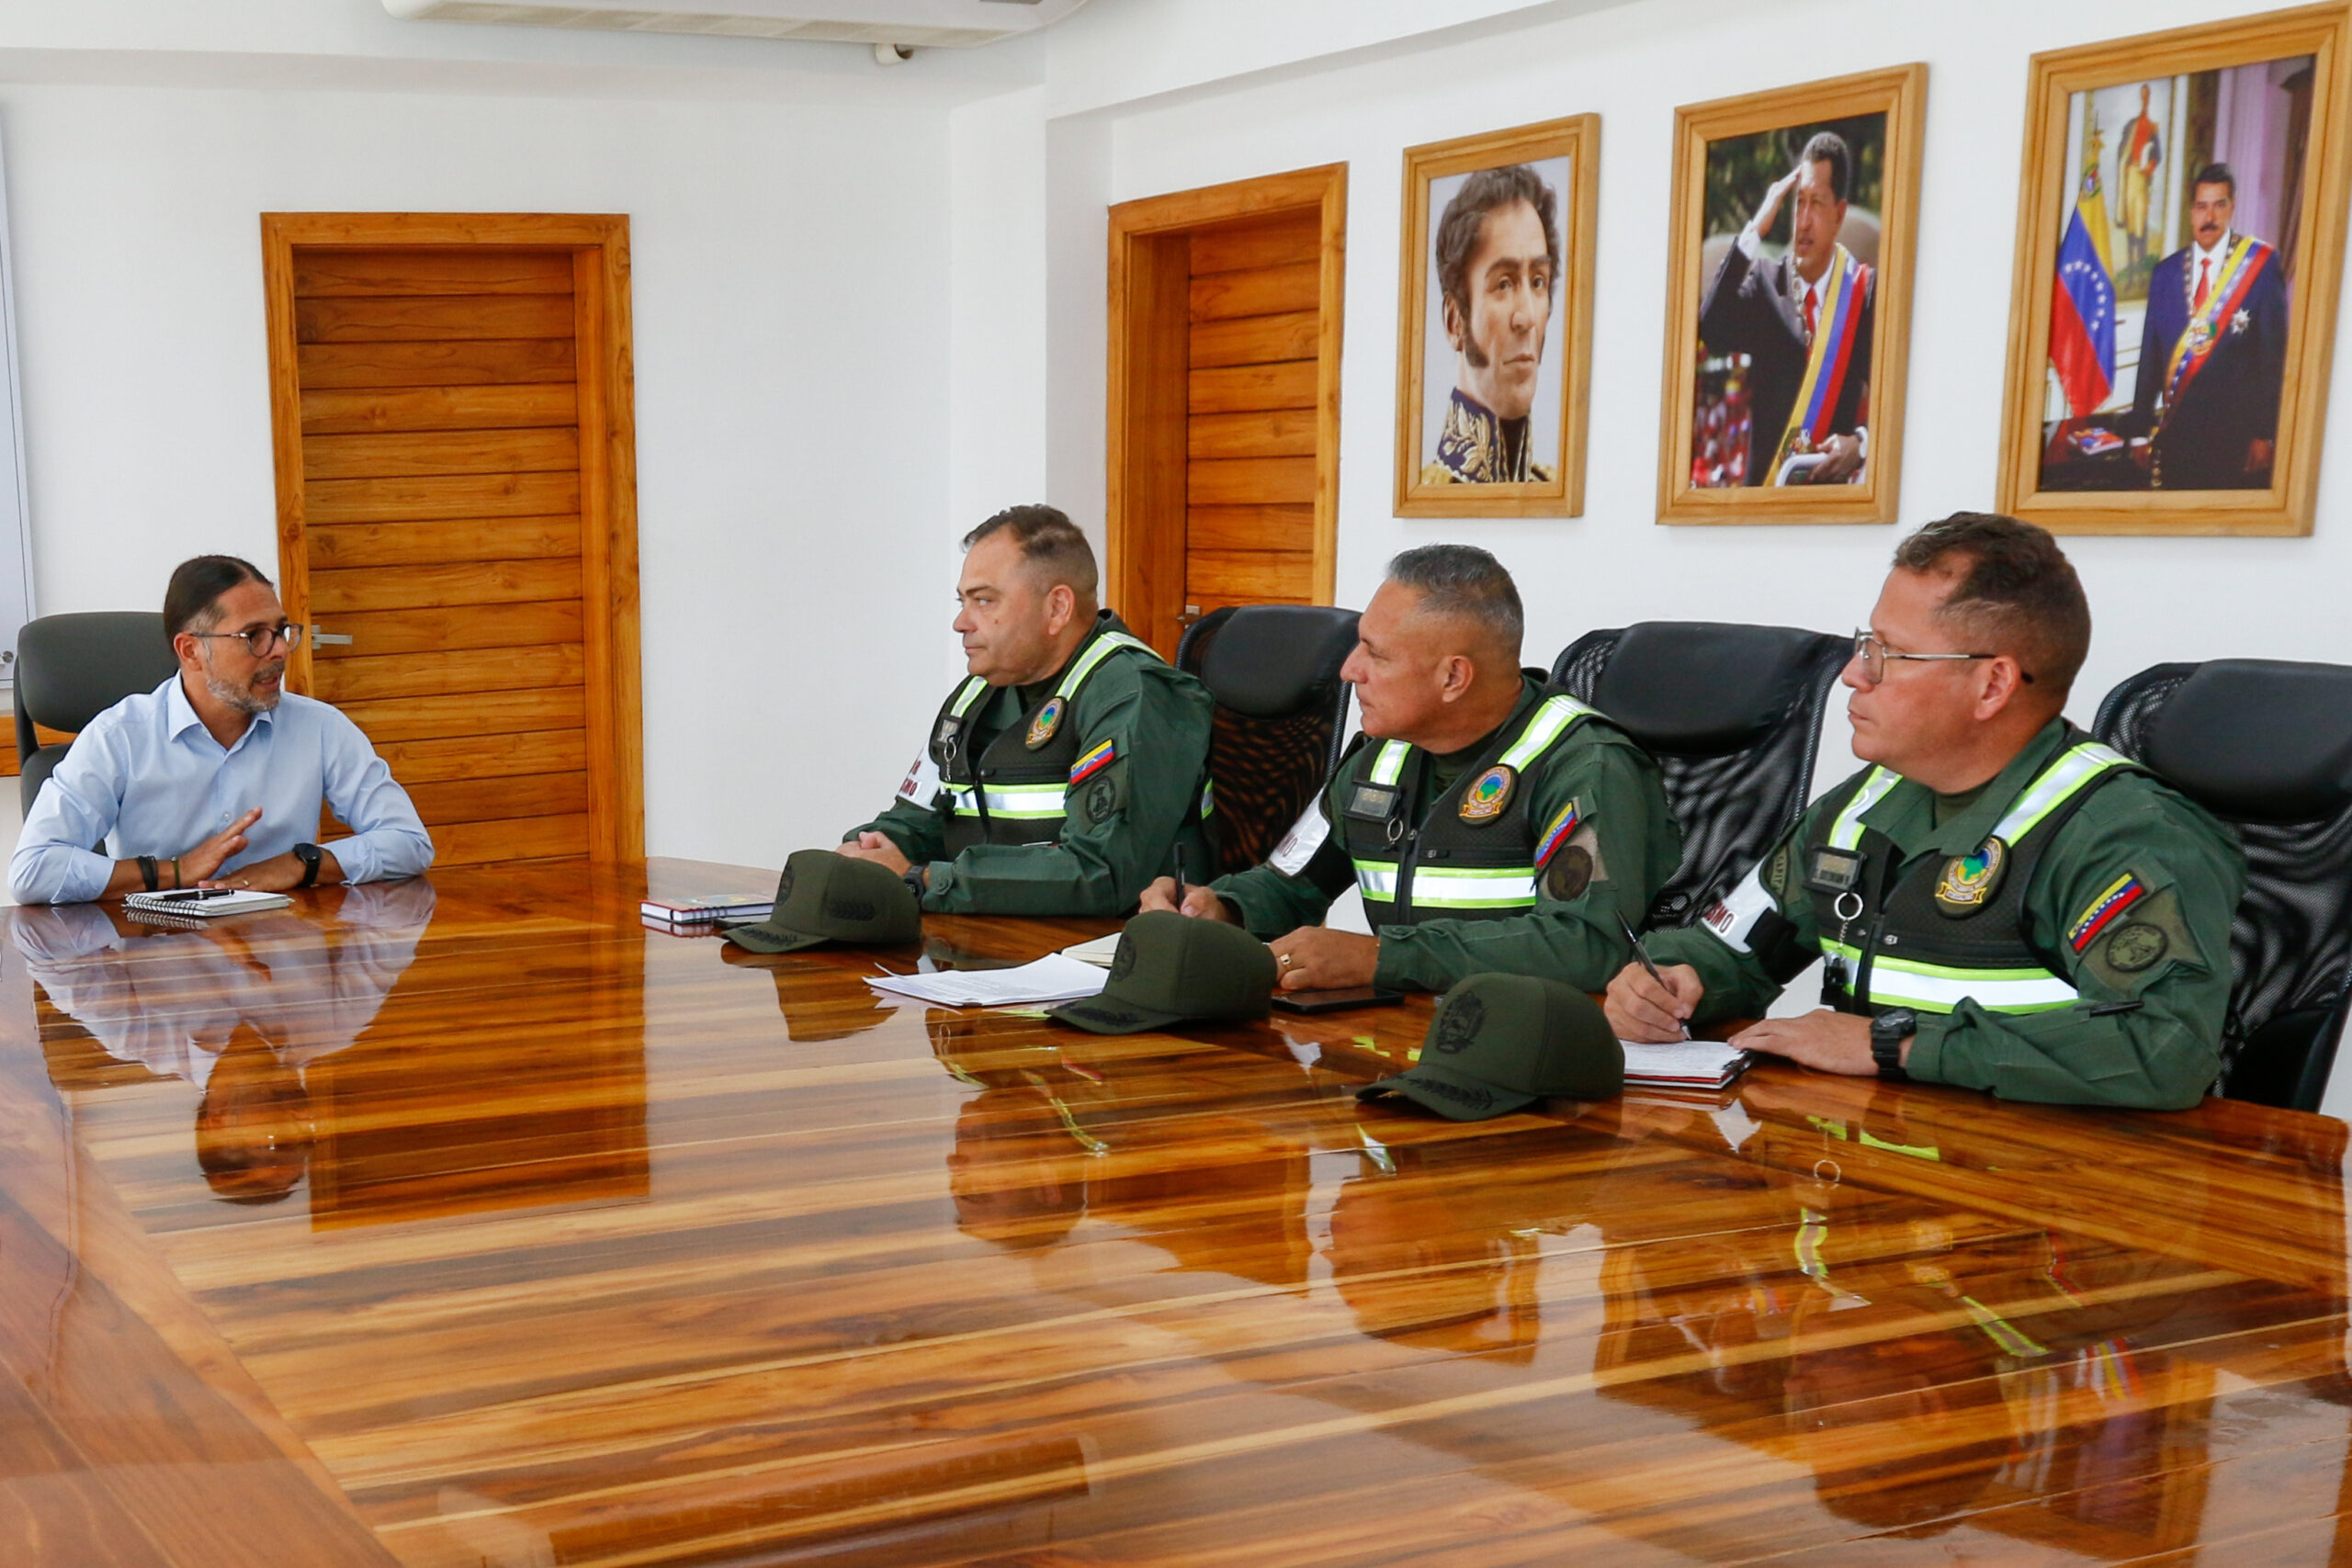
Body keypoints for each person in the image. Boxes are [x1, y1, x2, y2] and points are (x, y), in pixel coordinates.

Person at [1604, 513, 2245, 1111]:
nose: (1855, 674)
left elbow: (2165, 1047)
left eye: (1889, 651)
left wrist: (1892, 1045)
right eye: (1864, 644)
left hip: (2043, 1191)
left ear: (1992, 684)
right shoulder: (1865, 803)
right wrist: (1673, 980)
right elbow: (1735, 945)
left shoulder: (2121, 832)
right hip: (1876, 1160)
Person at [1141, 544, 1679, 995]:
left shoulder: (1582, 763)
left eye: (1376, 655)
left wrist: (1382, 958)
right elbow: (1291, 882)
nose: (1350, 670)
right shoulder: (1383, 754)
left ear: (1453, 678)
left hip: (1531, 1057)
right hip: (1405, 1034)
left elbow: (1583, 944)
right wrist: (1221, 908)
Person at [841, 504, 1214, 916]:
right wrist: (869, 851)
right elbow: (918, 820)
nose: (961, 622)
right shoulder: (978, 693)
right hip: (987, 942)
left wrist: (925, 880)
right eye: (962, 601)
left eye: (984, 600)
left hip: (1099, 955)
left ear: (1057, 608)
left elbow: (1101, 873)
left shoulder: (1134, 692)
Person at [8, 555, 434, 905]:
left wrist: (300, 864)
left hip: (284, 966)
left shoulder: (320, 728)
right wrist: (174, 871)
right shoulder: (120, 736)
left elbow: (409, 842)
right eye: (254, 636)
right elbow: (33, 871)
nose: (281, 650)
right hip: (161, 965)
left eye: (281, 630)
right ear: (191, 650)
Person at [1697, 130, 1875, 487]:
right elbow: (1712, 328)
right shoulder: (1766, 282)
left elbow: (1901, 396)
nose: (1804, 221)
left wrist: (1861, 443)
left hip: (1830, 506)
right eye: (1799, 202)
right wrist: (1755, 230)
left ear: (1839, 214)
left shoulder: (1864, 291)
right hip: (1763, 496)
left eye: (1817, 204)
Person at [2126, 163, 2288, 491]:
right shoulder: (2165, 273)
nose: (2209, 217)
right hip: (2177, 436)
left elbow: (2273, 360)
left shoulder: (2260, 266)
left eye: (2219, 205)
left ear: (2233, 207)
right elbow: (2151, 359)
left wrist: (2265, 434)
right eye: (2201, 206)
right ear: (2191, 212)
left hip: (2235, 438)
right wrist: (2139, 431)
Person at [1420, 164, 1560, 485]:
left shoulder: (1552, 485)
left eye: (1538, 282)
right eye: (1503, 284)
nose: (1526, 318)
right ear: (1455, 321)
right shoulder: (1425, 489)